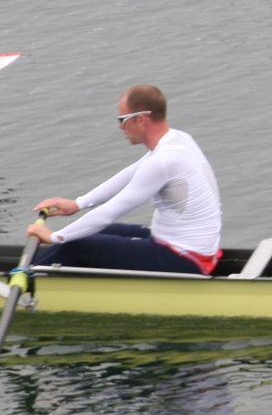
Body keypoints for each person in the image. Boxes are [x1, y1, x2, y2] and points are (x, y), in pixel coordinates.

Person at [28, 85, 223, 275]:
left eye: (122, 119)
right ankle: (36, 271)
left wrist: (56, 237)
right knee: (90, 232)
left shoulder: (164, 160)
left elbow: (110, 212)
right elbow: (129, 174)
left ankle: (26, 278)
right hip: (182, 245)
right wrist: (78, 203)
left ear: (140, 119)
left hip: (185, 258)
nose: (120, 126)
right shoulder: (178, 139)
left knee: (74, 245)